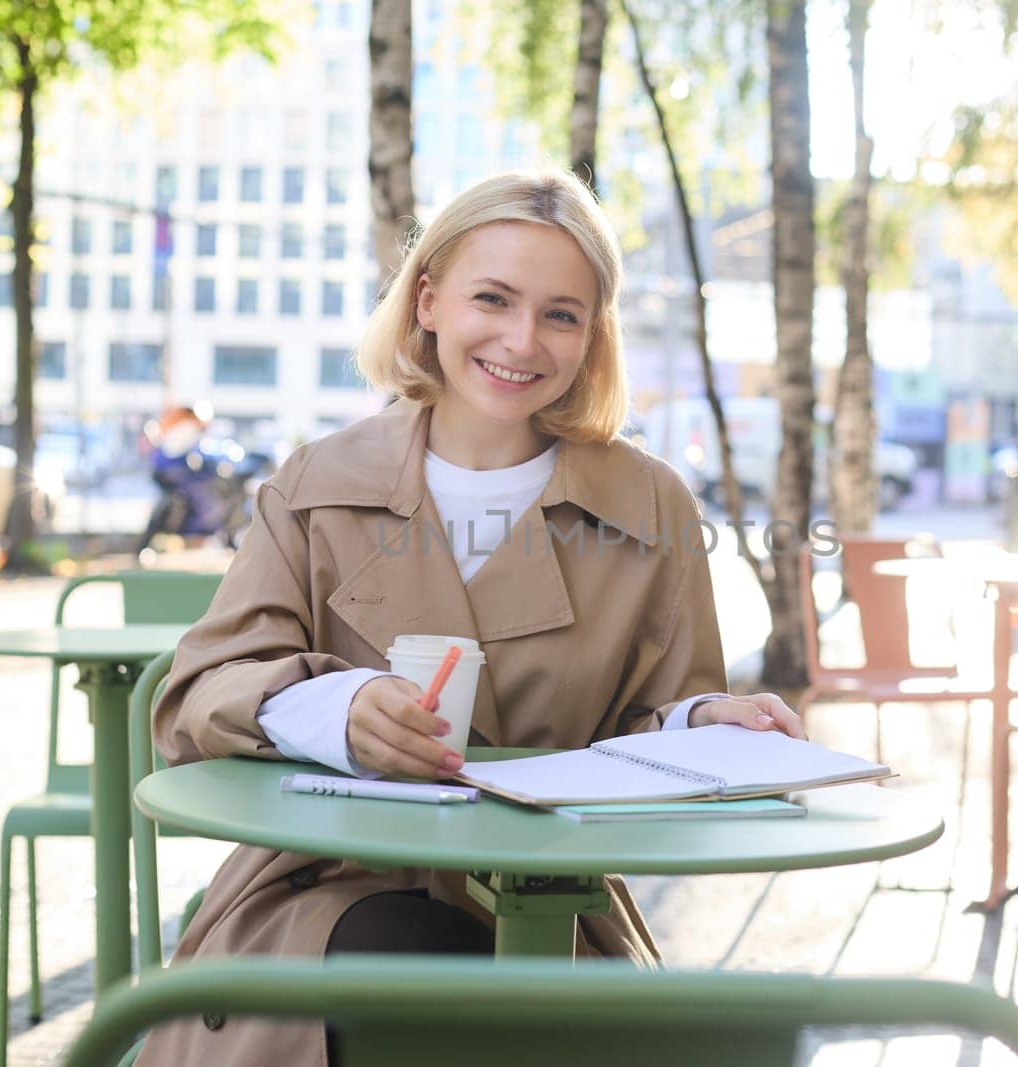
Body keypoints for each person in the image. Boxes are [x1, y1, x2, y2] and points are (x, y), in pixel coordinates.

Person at [139, 168, 808, 1066]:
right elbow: (193, 698)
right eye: (492, 298)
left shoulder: (650, 505)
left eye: (561, 314)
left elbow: (650, 723)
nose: (521, 339)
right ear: (428, 301)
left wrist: (705, 720)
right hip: (323, 903)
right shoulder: (314, 486)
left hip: (548, 909)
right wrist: (337, 711)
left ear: (592, 336)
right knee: (424, 979)